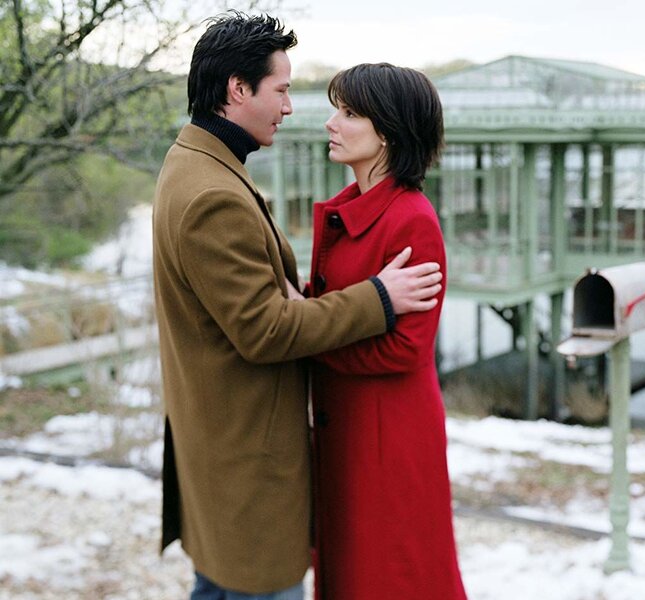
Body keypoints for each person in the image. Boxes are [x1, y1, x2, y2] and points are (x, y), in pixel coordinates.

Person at [152, 14, 442, 599]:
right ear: (239, 90)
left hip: (238, 449)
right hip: (246, 461)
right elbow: (265, 330)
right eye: (281, 90)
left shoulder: (197, 165)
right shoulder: (213, 193)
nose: (291, 108)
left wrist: (304, 308)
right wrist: (377, 298)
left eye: (347, 111)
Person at [308, 63, 467, 599]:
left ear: (389, 131)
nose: (332, 122)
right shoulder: (357, 207)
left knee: (390, 573)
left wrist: (307, 336)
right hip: (352, 425)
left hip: (388, 435)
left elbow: (407, 347)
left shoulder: (410, 218)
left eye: (349, 113)